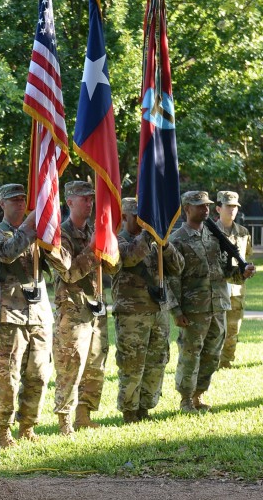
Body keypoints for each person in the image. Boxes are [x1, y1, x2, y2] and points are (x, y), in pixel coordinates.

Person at [168, 190, 255, 413]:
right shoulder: (177, 239)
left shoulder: (214, 236)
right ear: (187, 209)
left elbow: (225, 272)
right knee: (190, 354)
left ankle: (198, 395)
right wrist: (176, 311)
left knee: (212, 354)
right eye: (199, 206)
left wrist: (241, 273)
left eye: (206, 205)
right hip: (194, 309)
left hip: (218, 306)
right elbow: (171, 279)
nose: (205, 209)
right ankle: (185, 399)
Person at [0, 184, 55, 448]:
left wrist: (50, 239)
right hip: (10, 315)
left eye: (24, 199)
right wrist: (30, 228)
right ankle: (3, 430)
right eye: (13, 200)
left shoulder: (37, 235)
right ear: (2, 204)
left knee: (39, 374)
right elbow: (7, 253)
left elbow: (59, 266)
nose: (20, 204)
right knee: (8, 377)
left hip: (39, 314)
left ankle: (28, 426)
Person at [52, 181, 118, 437]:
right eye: (85, 199)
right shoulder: (60, 235)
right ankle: (64, 421)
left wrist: (108, 247)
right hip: (73, 311)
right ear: (70, 202)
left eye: (92, 199)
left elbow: (113, 267)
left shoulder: (95, 229)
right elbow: (68, 273)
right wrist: (92, 249)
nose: (90, 203)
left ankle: (84, 415)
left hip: (96, 308)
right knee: (71, 366)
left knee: (95, 365)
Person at [112, 197, 183, 423]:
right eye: (140, 218)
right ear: (125, 217)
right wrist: (148, 234)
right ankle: (130, 411)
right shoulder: (117, 241)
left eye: (147, 219)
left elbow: (178, 267)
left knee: (156, 361)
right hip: (132, 314)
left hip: (158, 312)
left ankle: (145, 407)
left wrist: (165, 244)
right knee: (132, 363)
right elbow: (130, 258)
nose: (144, 223)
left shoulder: (155, 242)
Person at [214, 190, 253, 368]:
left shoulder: (243, 232)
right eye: (228, 206)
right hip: (216, 288)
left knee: (233, 328)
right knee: (214, 330)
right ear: (218, 208)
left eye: (235, 207)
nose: (232, 210)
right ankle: (211, 361)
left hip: (237, 289)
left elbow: (246, 256)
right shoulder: (210, 232)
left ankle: (226, 362)